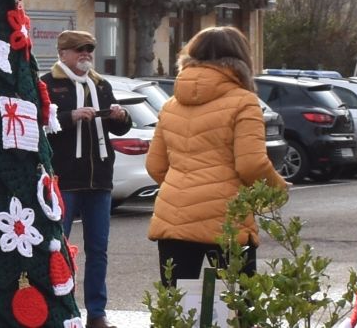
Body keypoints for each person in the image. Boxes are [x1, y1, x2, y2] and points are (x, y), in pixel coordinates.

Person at [146, 25, 286, 292]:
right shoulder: (244, 101)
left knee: (177, 309)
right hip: (227, 219)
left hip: (175, 217)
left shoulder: (170, 104)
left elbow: (155, 166)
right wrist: (276, 189)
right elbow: (251, 164)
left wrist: (186, 185)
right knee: (235, 308)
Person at [47, 29, 131, 328]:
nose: (86, 54)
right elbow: (40, 124)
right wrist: (70, 117)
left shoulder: (101, 84)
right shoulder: (48, 84)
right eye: (79, 49)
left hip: (100, 181)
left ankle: (97, 314)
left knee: (99, 251)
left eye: (89, 49)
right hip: (64, 180)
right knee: (58, 248)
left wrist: (121, 117)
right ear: (63, 53)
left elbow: (119, 130)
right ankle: (61, 310)